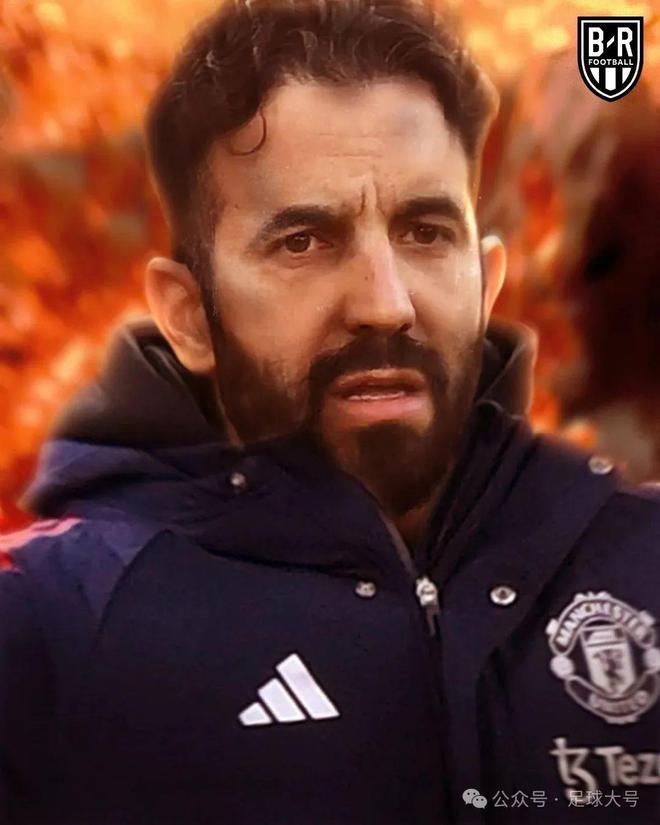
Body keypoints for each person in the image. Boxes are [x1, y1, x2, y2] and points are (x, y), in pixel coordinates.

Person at [1, 0, 658, 822]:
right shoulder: (46, 629)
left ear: (487, 284)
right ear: (189, 316)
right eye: (303, 242)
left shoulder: (644, 560)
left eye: (425, 232)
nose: (385, 303)